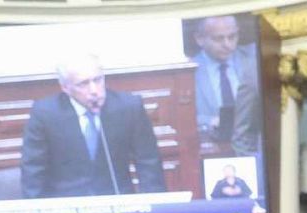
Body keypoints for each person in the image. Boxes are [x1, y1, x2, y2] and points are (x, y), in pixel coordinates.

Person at [20, 52, 165, 199]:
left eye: (98, 80)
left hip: (118, 200)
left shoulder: (129, 107)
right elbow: (33, 170)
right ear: (65, 87)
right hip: (68, 206)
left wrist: (156, 208)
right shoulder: (45, 113)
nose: (94, 90)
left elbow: (148, 162)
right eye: (83, 84)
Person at [189, 15, 261, 152]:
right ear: (199, 39)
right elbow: (182, 118)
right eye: (218, 38)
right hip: (211, 148)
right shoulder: (189, 71)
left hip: (254, 146)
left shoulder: (255, 57)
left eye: (232, 36)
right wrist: (210, 121)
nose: (228, 45)